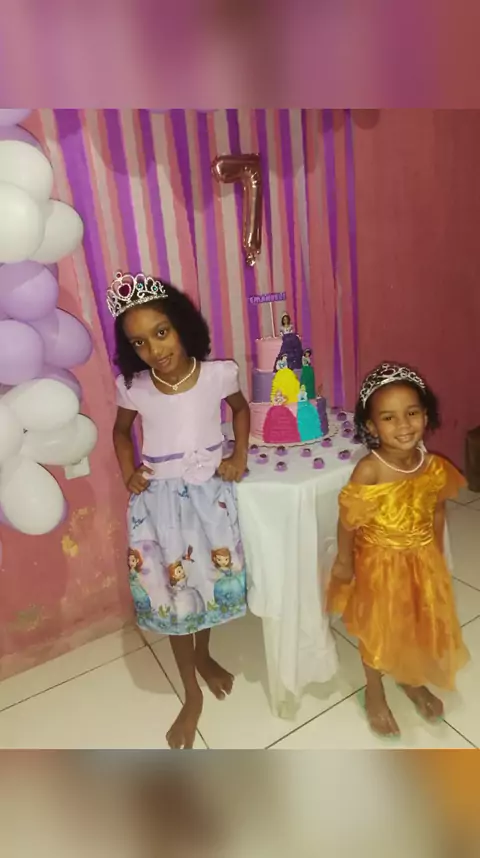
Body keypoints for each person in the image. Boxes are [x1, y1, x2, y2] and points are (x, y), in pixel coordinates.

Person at [108, 271, 250, 749]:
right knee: (174, 595)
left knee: (205, 584)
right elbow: (120, 432)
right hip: (161, 509)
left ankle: (204, 655)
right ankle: (191, 693)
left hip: (208, 501)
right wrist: (128, 470)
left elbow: (241, 410)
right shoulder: (135, 387)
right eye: (139, 342)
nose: (154, 349)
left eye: (161, 332)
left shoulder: (218, 375)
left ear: (182, 325)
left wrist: (238, 455)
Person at [327, 362, 470, 737]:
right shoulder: (369, 471)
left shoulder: (433, 467)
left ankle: (409, 677)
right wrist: (344, 561)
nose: (403, 425)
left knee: (415, 623)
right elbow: (348, 521)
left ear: (426, 415)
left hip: (421, 561)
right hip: (379, 567)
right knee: (379, 628)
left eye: (411, 413)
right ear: (372, 427)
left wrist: (435, 554)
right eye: (389, 418)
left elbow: (436, 510)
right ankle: (374, 690)